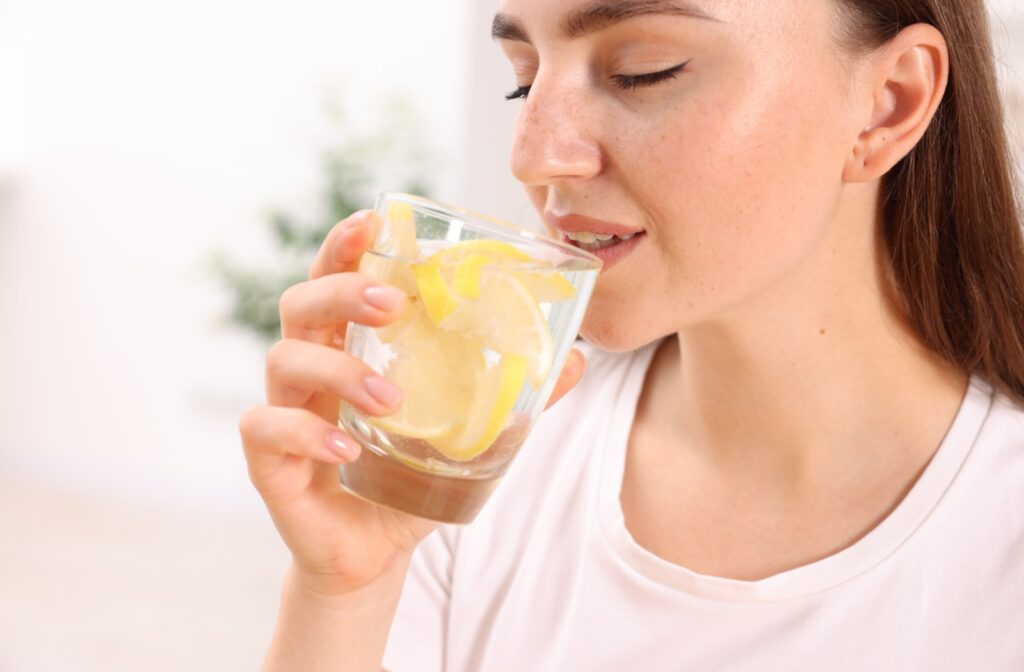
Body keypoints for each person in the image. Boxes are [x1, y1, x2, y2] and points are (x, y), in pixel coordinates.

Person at [239, 0, 1024, 669]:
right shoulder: (480, 463)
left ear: (889, 102)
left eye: (643, 71)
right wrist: (345, 593)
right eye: (523, 83)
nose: (535, 156)